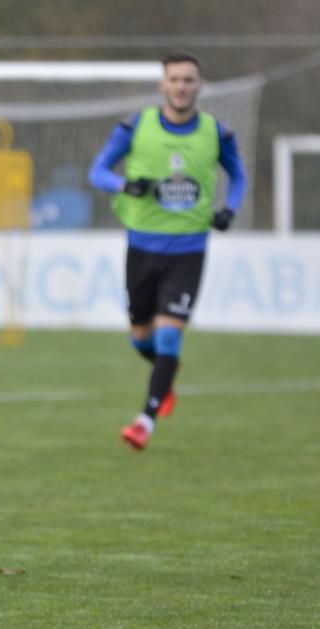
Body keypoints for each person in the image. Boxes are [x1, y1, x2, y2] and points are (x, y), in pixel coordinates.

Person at [88, 52, 246, 451]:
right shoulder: (136, 126)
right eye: (174, 79)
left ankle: (145, 421)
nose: (181, 87)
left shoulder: (216, 132)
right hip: (141, 246)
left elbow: (238, 174)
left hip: (189, 249)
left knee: (170, 336)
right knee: (141, 337)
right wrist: (126, 185)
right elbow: (98, 171)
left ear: (199, 86)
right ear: (163, 85)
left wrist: (229, 209)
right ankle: (166, 375)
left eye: (188, 80)